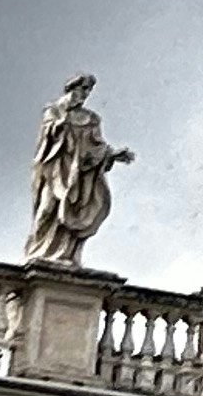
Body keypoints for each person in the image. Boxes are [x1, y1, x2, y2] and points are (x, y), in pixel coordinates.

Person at [24, 74, 131, 270]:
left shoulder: (91, 120)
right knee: (47, 211)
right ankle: (39, 252)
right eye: (82, 88)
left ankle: (69, 255)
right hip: (55, 171)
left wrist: (113, 154)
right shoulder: (53, 111)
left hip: (79, 176)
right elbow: (48, 140)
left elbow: (96, 147)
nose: (85, 94)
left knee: (75, 214)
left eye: (88, 90)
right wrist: (62, 120)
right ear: (71, 88)